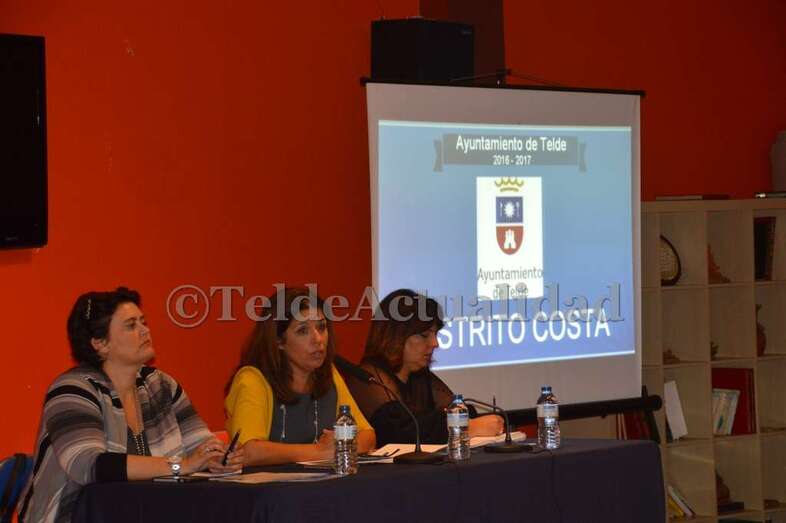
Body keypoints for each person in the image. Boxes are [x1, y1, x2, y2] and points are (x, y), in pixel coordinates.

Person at [19, 287, 242, 523]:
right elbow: (88, 465)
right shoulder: (72, 390)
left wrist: (217, 458)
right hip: (74, 516)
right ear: (100, 343)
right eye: (131, 325)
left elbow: (201, 444)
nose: (146, 330)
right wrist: (181, 465)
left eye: (143, 322)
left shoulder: (160, 385)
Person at [224, 287, 375, 465]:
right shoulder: (252, 379)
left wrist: (339, 445)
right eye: (303, 331)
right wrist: (319, 451)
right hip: (268, 490)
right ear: (279, 341)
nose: (318, 339)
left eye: (321, 327)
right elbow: (248, 451)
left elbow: (368, 435)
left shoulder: (329, 374)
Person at [345, 289, 504, 446]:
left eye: (435, 334)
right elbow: (397, 432)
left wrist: (460, 423)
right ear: (396, 336)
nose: (435, 343)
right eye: (424, 335)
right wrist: (463, 428)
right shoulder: (368, 378)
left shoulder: (418, 375)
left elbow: (461, 411)